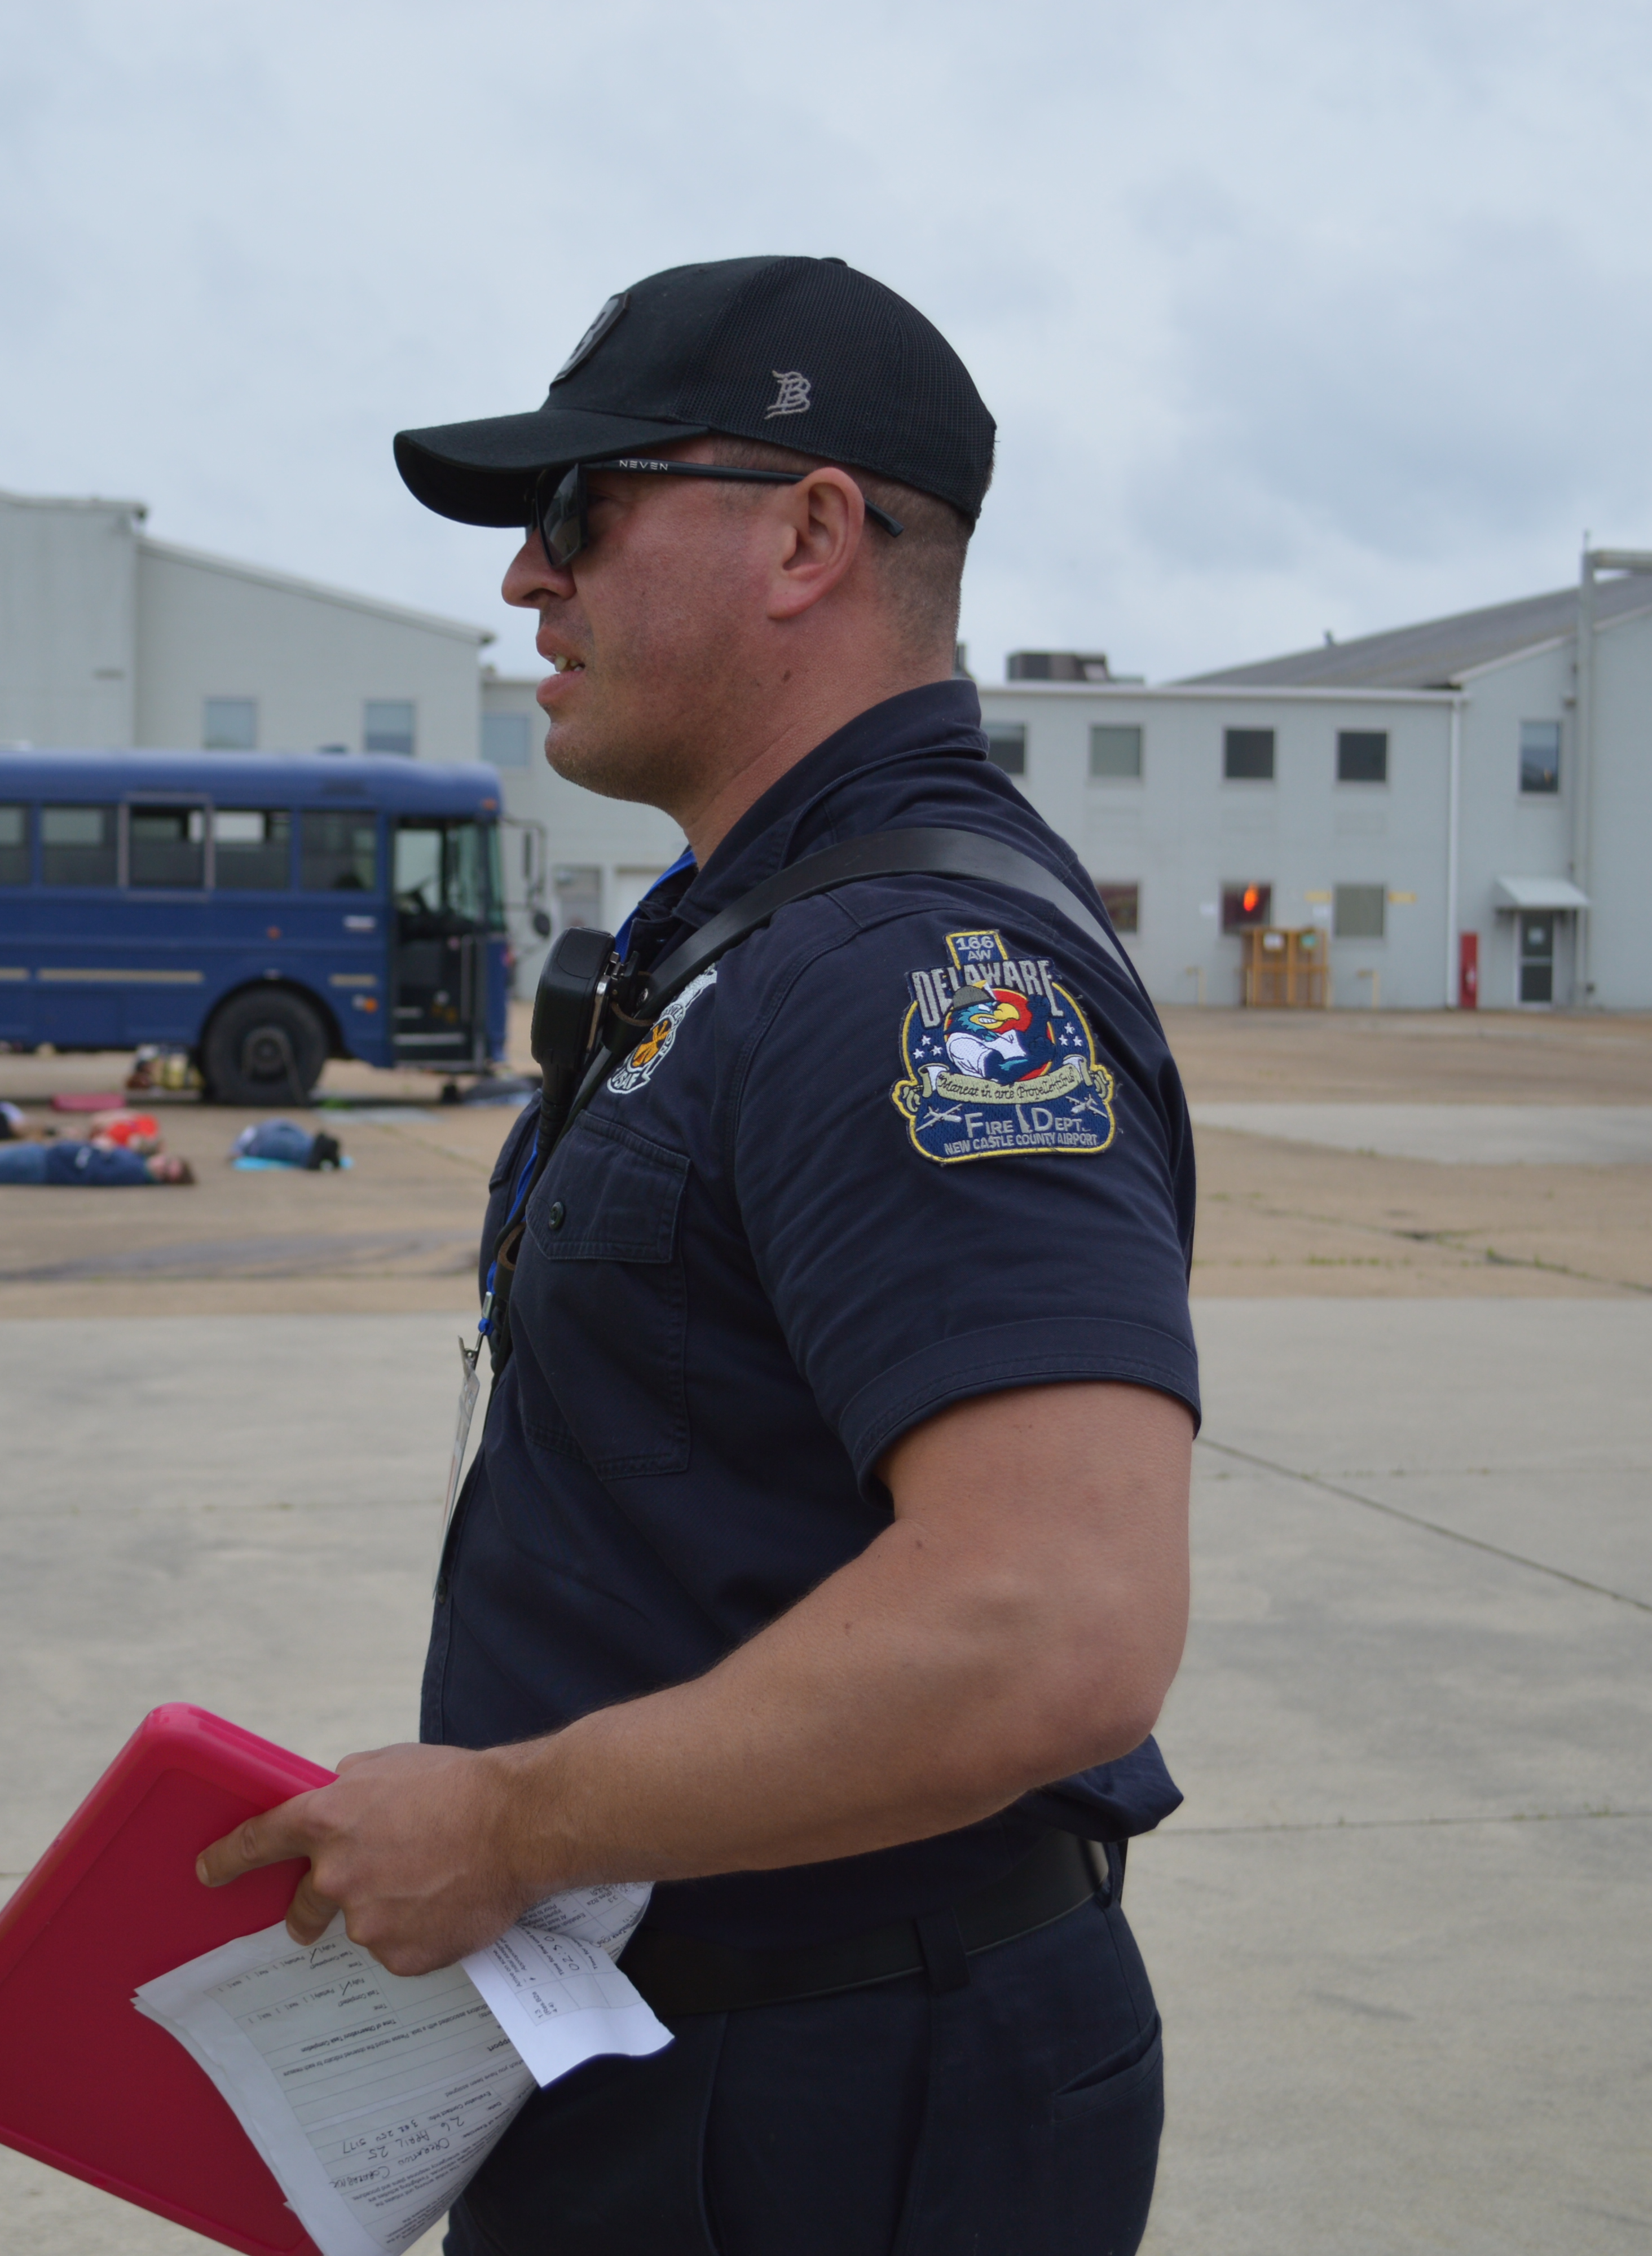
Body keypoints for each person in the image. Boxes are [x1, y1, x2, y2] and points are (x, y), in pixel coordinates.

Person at [199, 257, 1195, 2252]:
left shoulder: (905, 975)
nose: (523, 583)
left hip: (826, 2110)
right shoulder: (747, 935)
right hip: (680, 2059)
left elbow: (1051, 1617)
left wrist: (512, 1822)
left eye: (579, 510)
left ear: (809, 534)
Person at [0, 1135, 195, 1185]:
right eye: (167, 1161)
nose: (160, 1165)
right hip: (44, 1157)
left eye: (166, 1171)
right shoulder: (136, 1161)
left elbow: (92, 1172)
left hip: (43, 1165)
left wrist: (92, 1148)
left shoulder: (132, 1172)